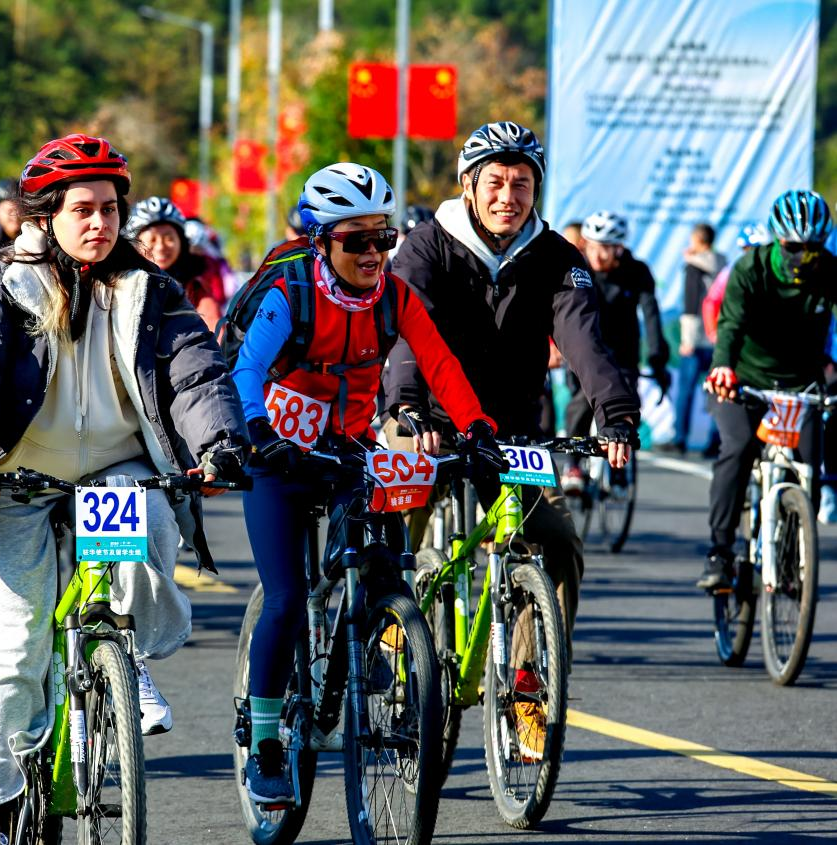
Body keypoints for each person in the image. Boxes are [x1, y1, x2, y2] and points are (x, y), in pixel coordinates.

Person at [0, 134, 247, 845]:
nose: (99, 222)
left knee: (150, 515)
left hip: (110, 464)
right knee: (12, 651)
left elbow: (196, 374)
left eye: (109, 208)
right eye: (83, 209)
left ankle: (122, 655)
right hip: (4, 473)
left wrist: (220, 444)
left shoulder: (150, 289)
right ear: (43, 216)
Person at [234, 162, 503, 804]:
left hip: (350, 451)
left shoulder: (394, 297)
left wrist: (478, 427)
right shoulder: (292, 290)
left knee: (383, 560)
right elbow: (247, 370)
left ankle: (370, 627)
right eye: (357, 240)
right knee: (285, 600)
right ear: (321, 239)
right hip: (279, 457)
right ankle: (267, 739)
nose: (374, 253)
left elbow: (439, 362)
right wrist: (256, 431)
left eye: (384, 238)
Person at [387, 121, 639, 664]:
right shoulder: (427, 247)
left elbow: (585, 340)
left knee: (556, 541)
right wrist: (407, 405)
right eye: (495, 183)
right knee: (392, 514)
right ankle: (386, 621)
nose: (508, 198)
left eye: (521, 184)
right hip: (426, 415)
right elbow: (409, 330)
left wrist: (614, 415)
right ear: (469, 185)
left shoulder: (558, 257)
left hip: (509, 427)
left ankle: (527, 683)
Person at [699, 190, 837, 590]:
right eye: (794, 247)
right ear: (778, 240)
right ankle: (720, 552)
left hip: (801, 386)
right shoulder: (750, 268)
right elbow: (730, 324)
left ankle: (793, 556)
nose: (803, 257)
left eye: (812, 248)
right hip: (743, 381)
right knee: (738, 448)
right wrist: (723, 366)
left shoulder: (828, 271)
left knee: (808, 468)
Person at [560, 210, 667, 490]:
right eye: (593, 246)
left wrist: (657, 359)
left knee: (626, 399)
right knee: (582, 401)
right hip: (585, 349)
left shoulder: (637, 272)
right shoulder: (577, 267)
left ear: (619, 247)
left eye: (606, 248)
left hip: (623, 352)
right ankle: (572, 465)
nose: (598, 255)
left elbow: (652, 316)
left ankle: (619, 463)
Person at [666, 223, 726, 454]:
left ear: (699, 241)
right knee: (717, 392)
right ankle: (714, 440)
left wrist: (687, 340)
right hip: (717, 338)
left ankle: (680, 437)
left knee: (686, 391)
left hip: (697, 338)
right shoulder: (723, 264)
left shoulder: (693, 268)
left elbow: (692, 305)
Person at [126, 196, 224, 330]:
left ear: (182, 243)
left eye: (169, 238)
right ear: (135, 245)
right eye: (152, 239)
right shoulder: (118, 282)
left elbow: (214, 330)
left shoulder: (195, 289)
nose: (161, 247)